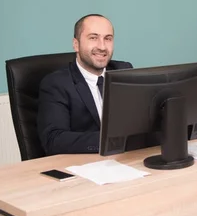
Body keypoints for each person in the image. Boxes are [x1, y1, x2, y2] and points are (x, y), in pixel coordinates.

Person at [37, 14, 133, 156]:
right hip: (82, 166)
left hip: (125, 160)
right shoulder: (56, 84)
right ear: (76, 44)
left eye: (108, 39)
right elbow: (54, 140)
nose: (102, 46)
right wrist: (112, 140)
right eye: (93, 38)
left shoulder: (124, 72)